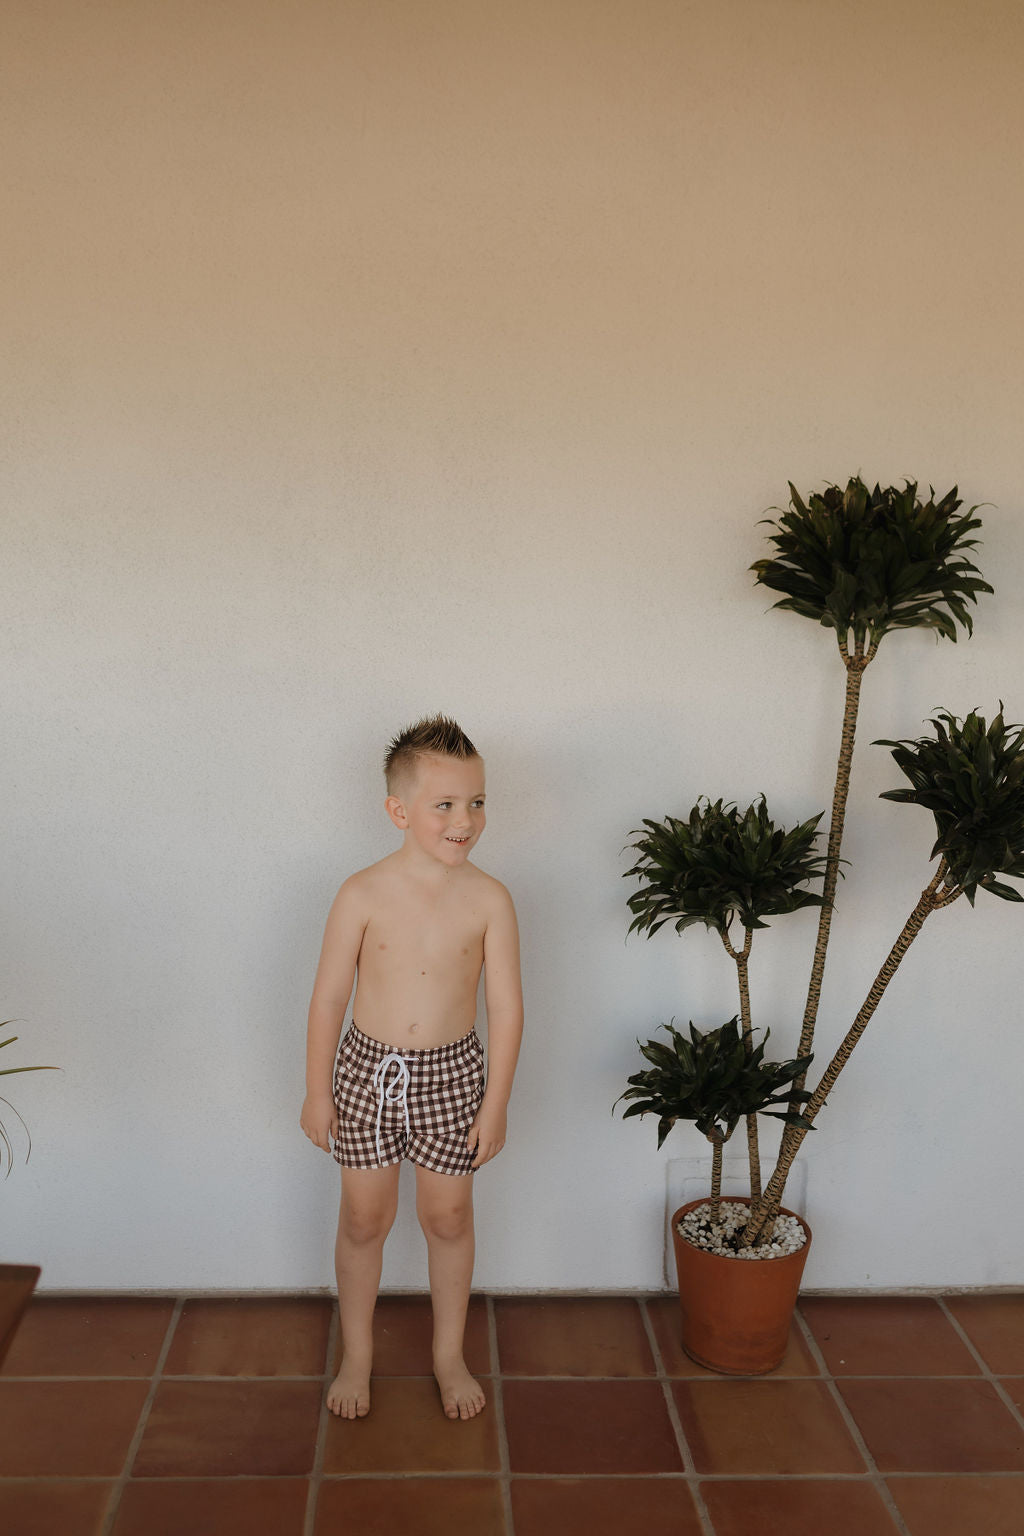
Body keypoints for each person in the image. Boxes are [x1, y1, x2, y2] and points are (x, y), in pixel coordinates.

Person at [300, 715, 523, 1422]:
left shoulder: (490, 899)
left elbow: (508, 1010)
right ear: (399, 810)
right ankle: (358, 1355)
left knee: (447, 1216)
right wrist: (316, 1092)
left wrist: (496, 1105)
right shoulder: (360, 893)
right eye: (446, 804)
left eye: (477, 802)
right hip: (367, 1073)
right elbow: (330, 996)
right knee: (366, 1217)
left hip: (453, 1076)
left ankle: (447, 1353)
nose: (466, 820)